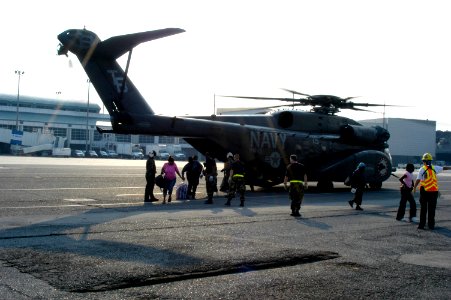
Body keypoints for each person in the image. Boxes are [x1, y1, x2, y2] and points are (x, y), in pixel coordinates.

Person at [413, 153, 450, 230]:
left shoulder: (422, 169)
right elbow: (444, 168)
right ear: (430, 161)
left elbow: (418, 179)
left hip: (424, 191)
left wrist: (415, 187)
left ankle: (422, 225)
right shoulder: (435, 168)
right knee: (431, 209)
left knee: (423, 209)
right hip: (433, 192)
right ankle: (431, 225)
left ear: (424, 161)